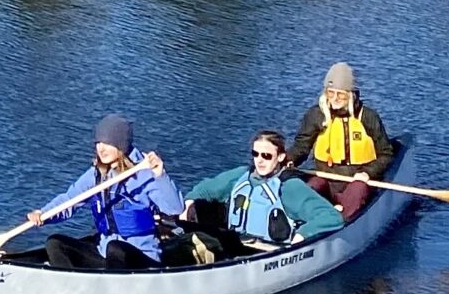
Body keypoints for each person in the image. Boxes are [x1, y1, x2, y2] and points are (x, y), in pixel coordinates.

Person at [31, 115, 181, 272]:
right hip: (104, 254)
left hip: (142, 258)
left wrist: (160, 175)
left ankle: (114, 290)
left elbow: (175, 208)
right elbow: (70, 200)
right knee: (55, 243)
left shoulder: (145, 174)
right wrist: (43, 214)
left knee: (115, 248)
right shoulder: (95, 175)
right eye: (98, 143)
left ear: (121, 145)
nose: (101, 148)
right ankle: (72, 286)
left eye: (108, 143)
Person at [179, 130, 344, 258]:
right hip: (234, 244)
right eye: (255, 154)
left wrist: (303, 235)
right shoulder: (240, 176)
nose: (259, 160)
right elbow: (205, 189)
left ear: (280, 157)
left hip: (269, 251)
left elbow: (331, 216)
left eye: (266, 155)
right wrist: (189, 204)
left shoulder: (289, 187)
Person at [293, 61, 393, 222]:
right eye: (330, 93)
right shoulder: (316, 115)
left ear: (351, 94)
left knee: (357, 191)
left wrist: (368, 173)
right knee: (311, 189)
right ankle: (305, 223)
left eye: (340, 94)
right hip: (326, 176)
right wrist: (288, 160)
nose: (334, 99)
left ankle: (340, 221)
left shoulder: (368, 117)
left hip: (357, 180)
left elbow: (386, 154)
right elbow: (301, 146)